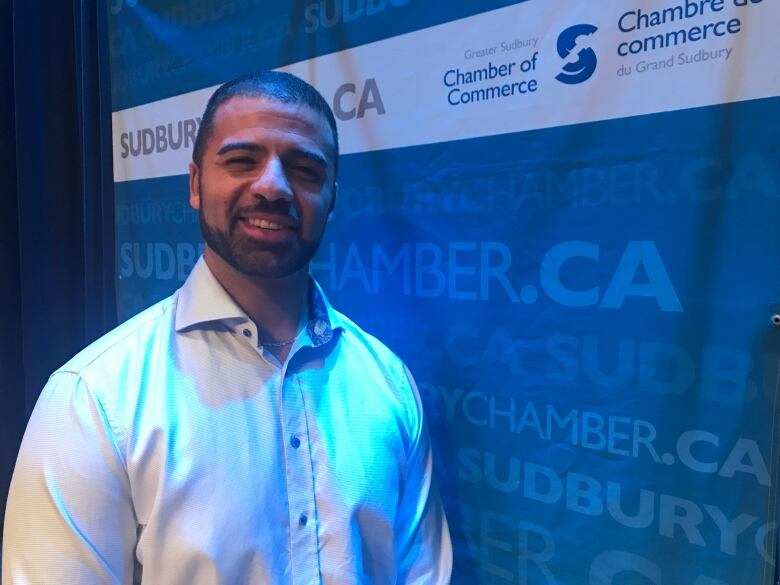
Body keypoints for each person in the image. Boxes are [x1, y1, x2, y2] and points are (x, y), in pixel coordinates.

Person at [2, 71, 452, 584]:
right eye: (242, 161)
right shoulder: (94, 399)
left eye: (305, 170)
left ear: (331, 197)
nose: (274, 187)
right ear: (195, 184)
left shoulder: (388, 383)